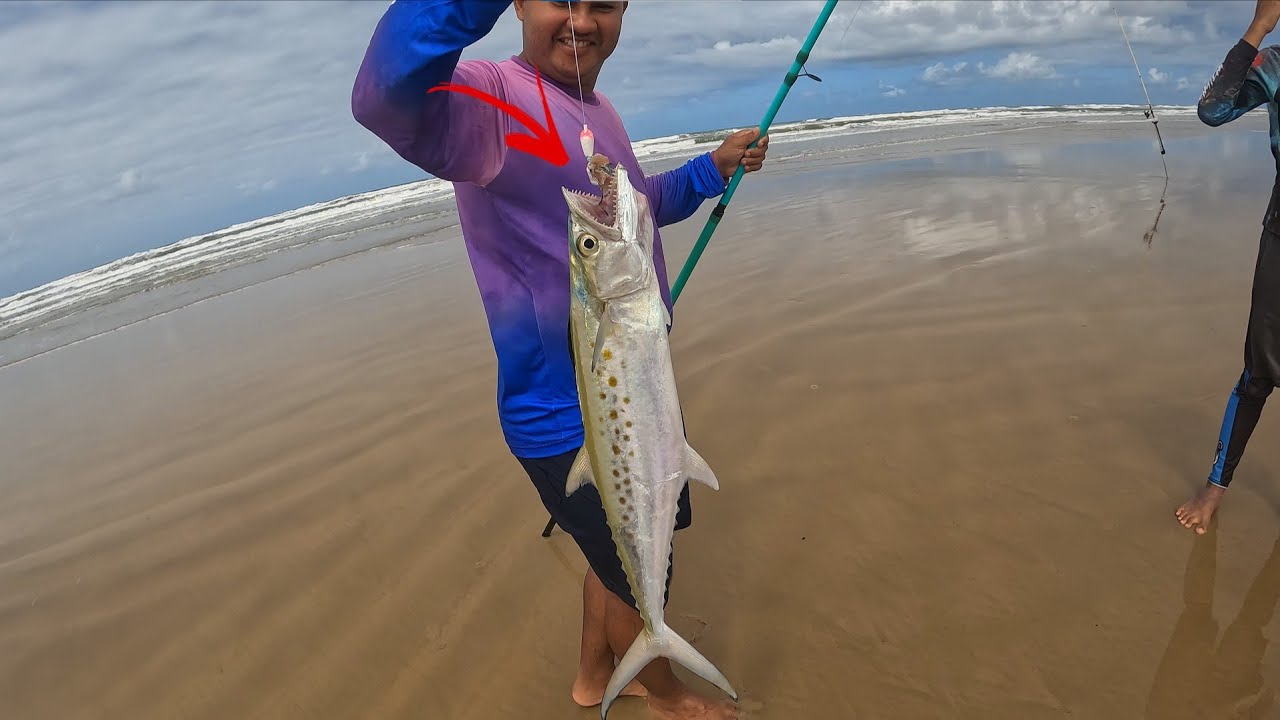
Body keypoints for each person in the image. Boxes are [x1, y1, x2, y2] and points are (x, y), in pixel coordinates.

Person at [351, 2, 767, 717]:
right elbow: (384, 98)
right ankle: (663, 693)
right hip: (567, 419)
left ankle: (591, 676)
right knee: (645, 577)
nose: (581, 18)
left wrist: (710, 170)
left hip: (633, 396)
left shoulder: (594, 107)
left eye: (601, 1)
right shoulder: (493, 101)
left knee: (615, 560)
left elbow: (635, 210)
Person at [1177, 0, 1280, 535]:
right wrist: (1259, 27)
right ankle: (1218, 484)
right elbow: (1212, 110)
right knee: (1260, 372)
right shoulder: (1277, 65)